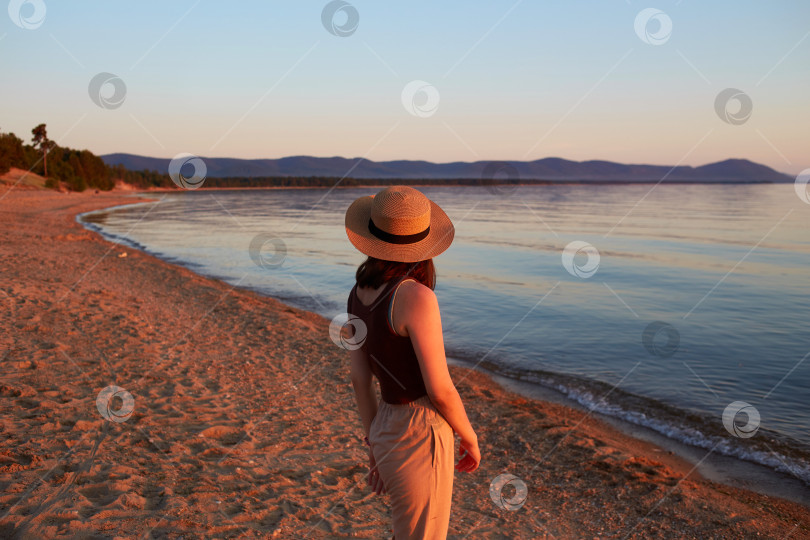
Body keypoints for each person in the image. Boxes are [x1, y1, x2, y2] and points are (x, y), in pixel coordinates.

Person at [344, 185, 481, 539]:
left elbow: (360, 380)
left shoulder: (357, 295)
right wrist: (470, 437)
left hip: (385, 426)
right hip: (421, 430)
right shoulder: (417, 297)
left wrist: (374, 441)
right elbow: (440, 390)